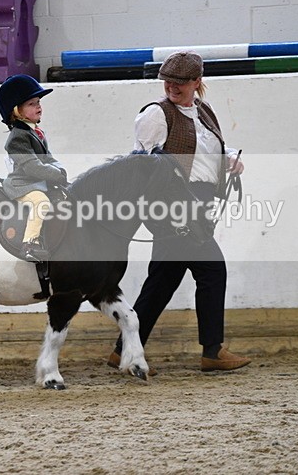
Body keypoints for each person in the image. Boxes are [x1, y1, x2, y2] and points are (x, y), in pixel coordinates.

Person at [108, 51, 252, 372]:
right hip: (173, 205)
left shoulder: (202, 111)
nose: (172, 87)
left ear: (197, 82)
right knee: (212, 270)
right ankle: (212, 351)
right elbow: (142, 161)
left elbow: (206, 147)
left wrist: (228, 157)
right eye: (168, 81)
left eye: (180, 82)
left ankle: (124, 350)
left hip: (198, 201)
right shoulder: (157, 115)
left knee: (163, 280)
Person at [0, 74, 68, 262]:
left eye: (38, 102)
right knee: (41, 203)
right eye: (31, 104)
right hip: (23, 184)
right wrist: (56, 175)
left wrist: (60, 171)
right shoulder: (17, 138)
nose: (38, 106)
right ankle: (29, 244)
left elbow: (48, 158)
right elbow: (32, 167)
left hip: (38, 181)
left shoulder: (36, 132)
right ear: (16, 111)